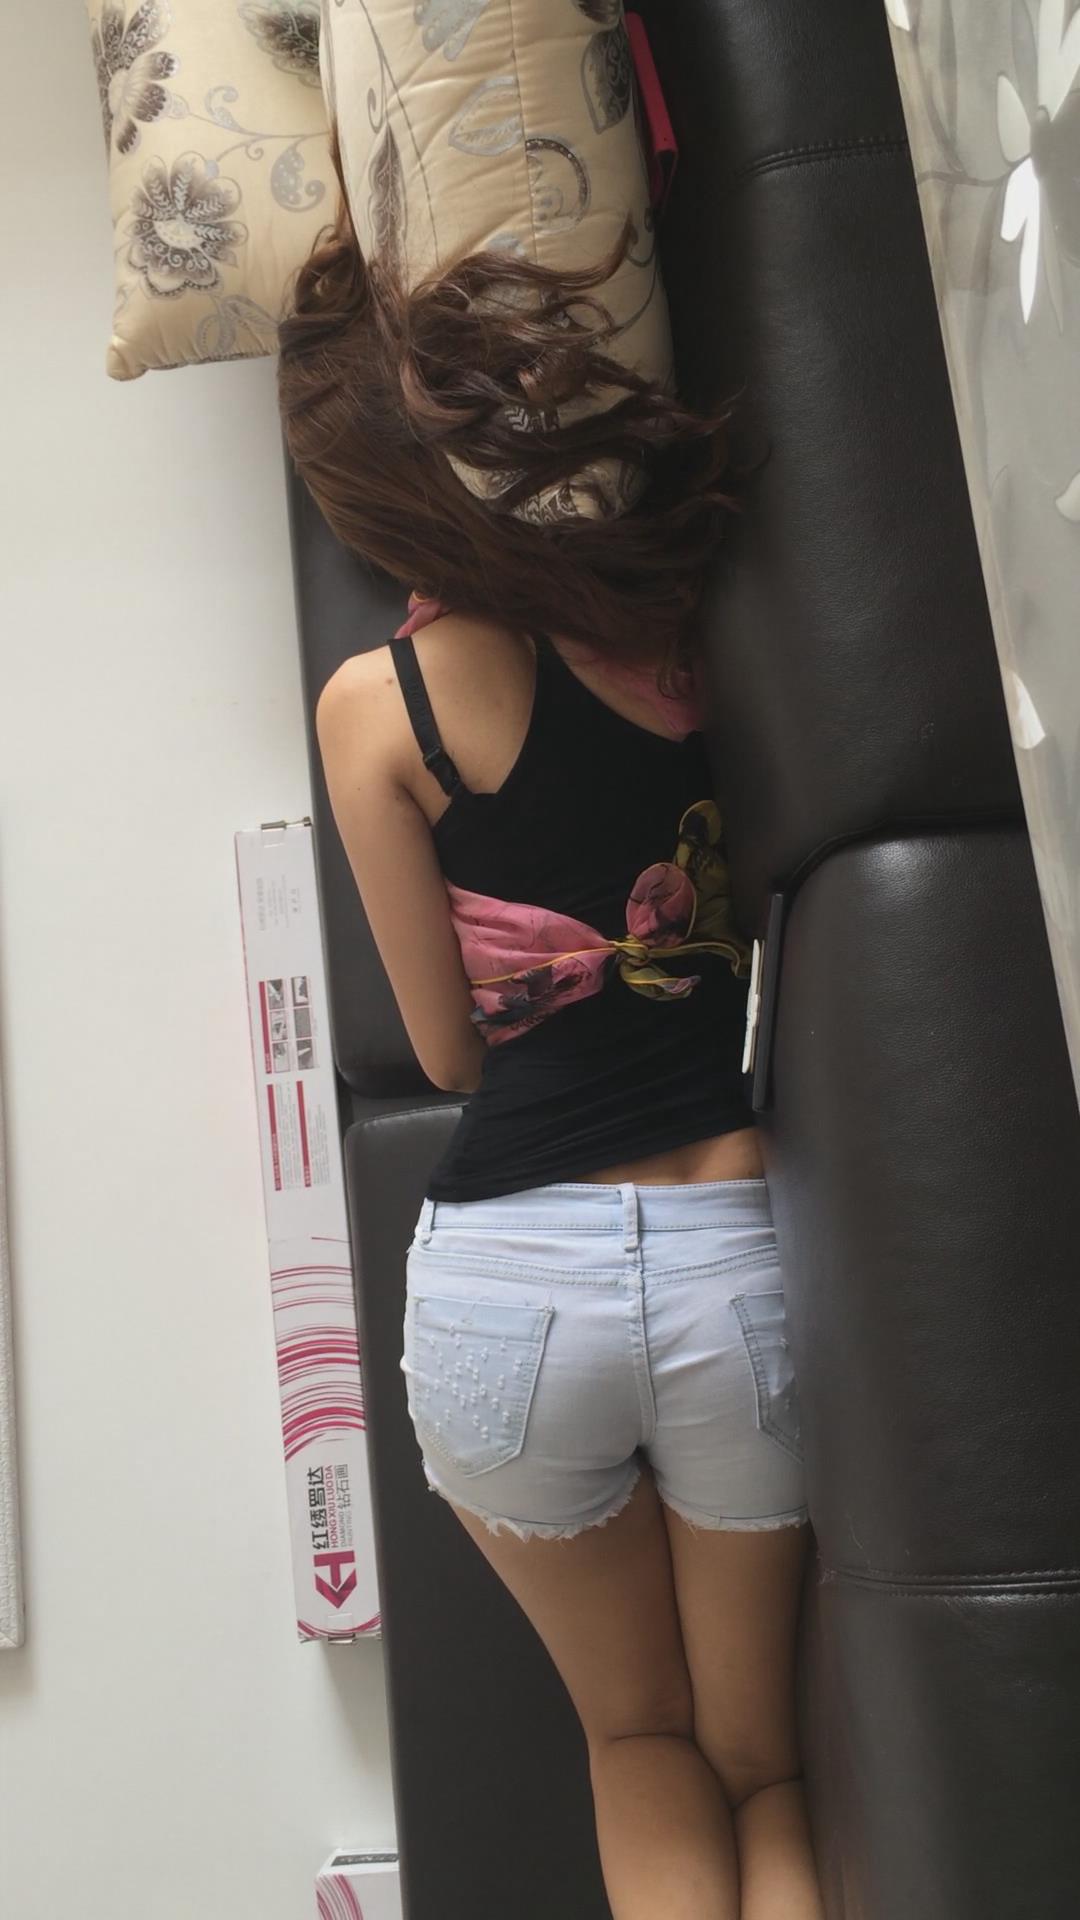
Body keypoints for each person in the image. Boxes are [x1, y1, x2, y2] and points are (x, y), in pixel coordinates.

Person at [278, 137, 824, 1920]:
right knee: (763, 1763)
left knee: (636, 1740)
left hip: (512, 1290)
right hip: (736, 1252)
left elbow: (446, 1058)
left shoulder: (375, 708)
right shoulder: (670, 625)